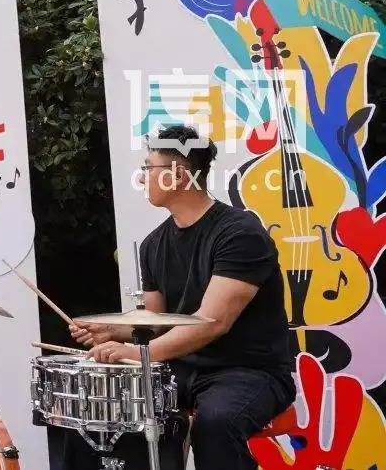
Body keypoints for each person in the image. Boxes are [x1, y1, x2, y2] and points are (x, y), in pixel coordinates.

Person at [66, 124, 295, 470]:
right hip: (181, 370)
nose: (142, 177)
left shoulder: (240, 233)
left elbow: (212, 323)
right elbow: (155, 322)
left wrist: (136, 353)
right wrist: (111, 331)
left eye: (149, 168)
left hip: (247, 372)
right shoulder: (153, 245)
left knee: (216, 422)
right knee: (100, 408)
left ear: (178, 174)